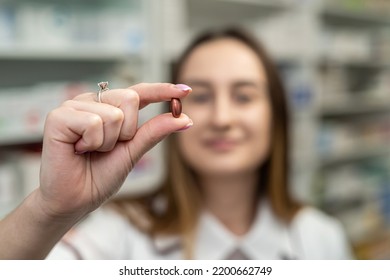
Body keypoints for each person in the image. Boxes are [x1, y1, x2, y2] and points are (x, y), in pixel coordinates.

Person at [0, 27, 353, 260]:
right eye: (199, 96)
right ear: (172, 107)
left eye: (244, 97)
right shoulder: (115, 234)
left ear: (276, 116)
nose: (222, 118)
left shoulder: (321, 237)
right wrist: (49, 211)